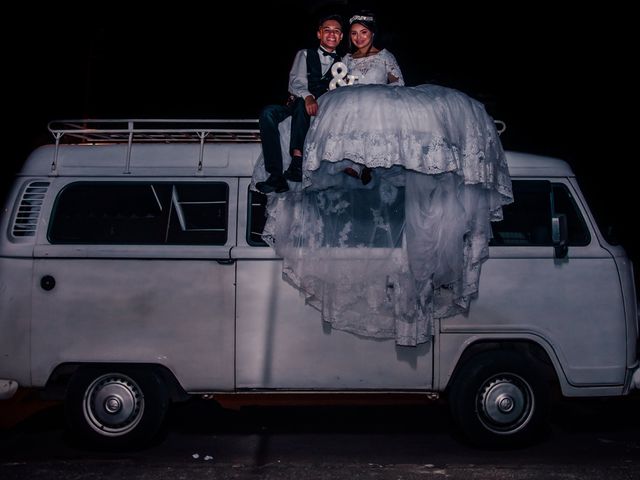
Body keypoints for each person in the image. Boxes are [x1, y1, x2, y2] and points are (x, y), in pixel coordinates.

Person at [255, 14, 344, 194]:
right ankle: (275, 175)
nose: (331, 34)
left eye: (336, 31)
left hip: (323, 111)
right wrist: (308, 96)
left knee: (302, 105)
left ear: (341, 37)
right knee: (268, 113)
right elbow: (296, 82)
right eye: (327, 30)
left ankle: (297, 163)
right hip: (298, 103)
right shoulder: (304, 54)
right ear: (319, 34)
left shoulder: (344, 63)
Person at [340, 11, 405, 184]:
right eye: (354, 33)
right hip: (353, 107)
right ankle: (356, 162)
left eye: (364, 32)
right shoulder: (346, 60)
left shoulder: (384, 56)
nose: (358, 37)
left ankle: (365, 163)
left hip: (379, 106)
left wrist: (380, 93)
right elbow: (338, 84)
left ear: (372, 33)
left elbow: (399, 83)